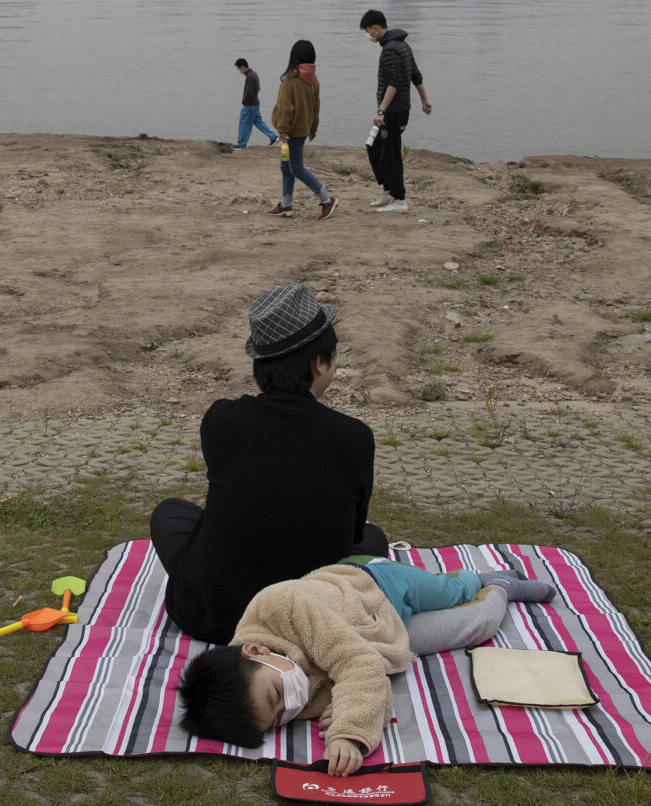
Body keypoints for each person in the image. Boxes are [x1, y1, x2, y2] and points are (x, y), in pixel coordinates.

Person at [150, 284, 386, 645]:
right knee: (374, 539)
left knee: (169, 513)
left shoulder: (220, 420)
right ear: (319, 362)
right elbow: (351, 536)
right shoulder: (354, 437)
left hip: (213, 615)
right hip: (307, 616)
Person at [177, 559, 556, 774]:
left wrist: (350, 730)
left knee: (450, 591)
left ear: (256, 650)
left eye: (277, 694)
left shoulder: (283, 604)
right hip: (382, 636)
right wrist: (340, 699)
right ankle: (504, 590)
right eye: (279, 718)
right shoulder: (273, 689)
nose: (291, 705)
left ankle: (480, 577)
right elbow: (364, 681)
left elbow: (358, 666)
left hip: (377, 587)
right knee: (474, 626)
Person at [358, 10, 431, 214]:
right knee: (374, 147)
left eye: (368, 31)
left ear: (376, 28)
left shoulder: (391, 49)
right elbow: (415, 75)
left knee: (390, 154)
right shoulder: (403, 45)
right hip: (398, 110)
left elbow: (394, 83)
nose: (369, 36)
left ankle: (399, 199)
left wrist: (381, 110)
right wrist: (425, 100)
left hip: (392, 112)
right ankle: (388, 190)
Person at [267, 40, 336, 220]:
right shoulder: (314, 80)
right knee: (286, 167)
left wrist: (282, 131)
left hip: (289, 134)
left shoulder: (291, 79)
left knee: (296, 168)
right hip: (302, 131)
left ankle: (327, 199)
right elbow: (316, 107)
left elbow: (284, 107)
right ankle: (286, 204)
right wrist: (313, 128)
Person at [234, 58, 277, 151]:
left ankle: (241, 145)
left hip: (249, 105)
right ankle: (273, 137)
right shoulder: (254, 73)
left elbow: (249, 93)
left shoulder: (249, 76)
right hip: (255, 104)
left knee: (244, 124)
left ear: (242, 66)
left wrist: (244, 101)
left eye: (238, 68)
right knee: (259, 123)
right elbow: (258, 88)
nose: (239, 70)